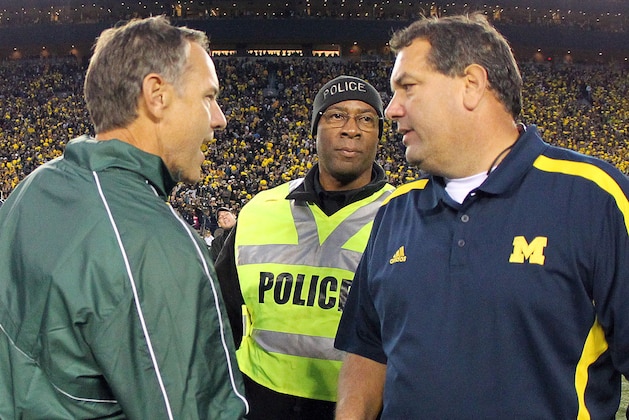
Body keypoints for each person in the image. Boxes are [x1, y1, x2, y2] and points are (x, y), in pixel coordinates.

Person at [334, 14, 629, 419]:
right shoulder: (395, 213)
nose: (391, 110)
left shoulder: (595, 197)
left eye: (407, 88)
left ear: (471, 85)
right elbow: (367, 350)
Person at [0, 16, 248, 419]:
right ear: (157, 95)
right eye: (208, 97)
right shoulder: (157, 245)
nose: (218, 118)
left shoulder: (34, 187)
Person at [215, 75, 394, 419]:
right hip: (259, 404)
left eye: (366, 118)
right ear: (315, 128)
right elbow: (220, 320)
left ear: (379, 135)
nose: (351, 129)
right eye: (336, 115)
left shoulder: (403, 217)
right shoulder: (258, 211)